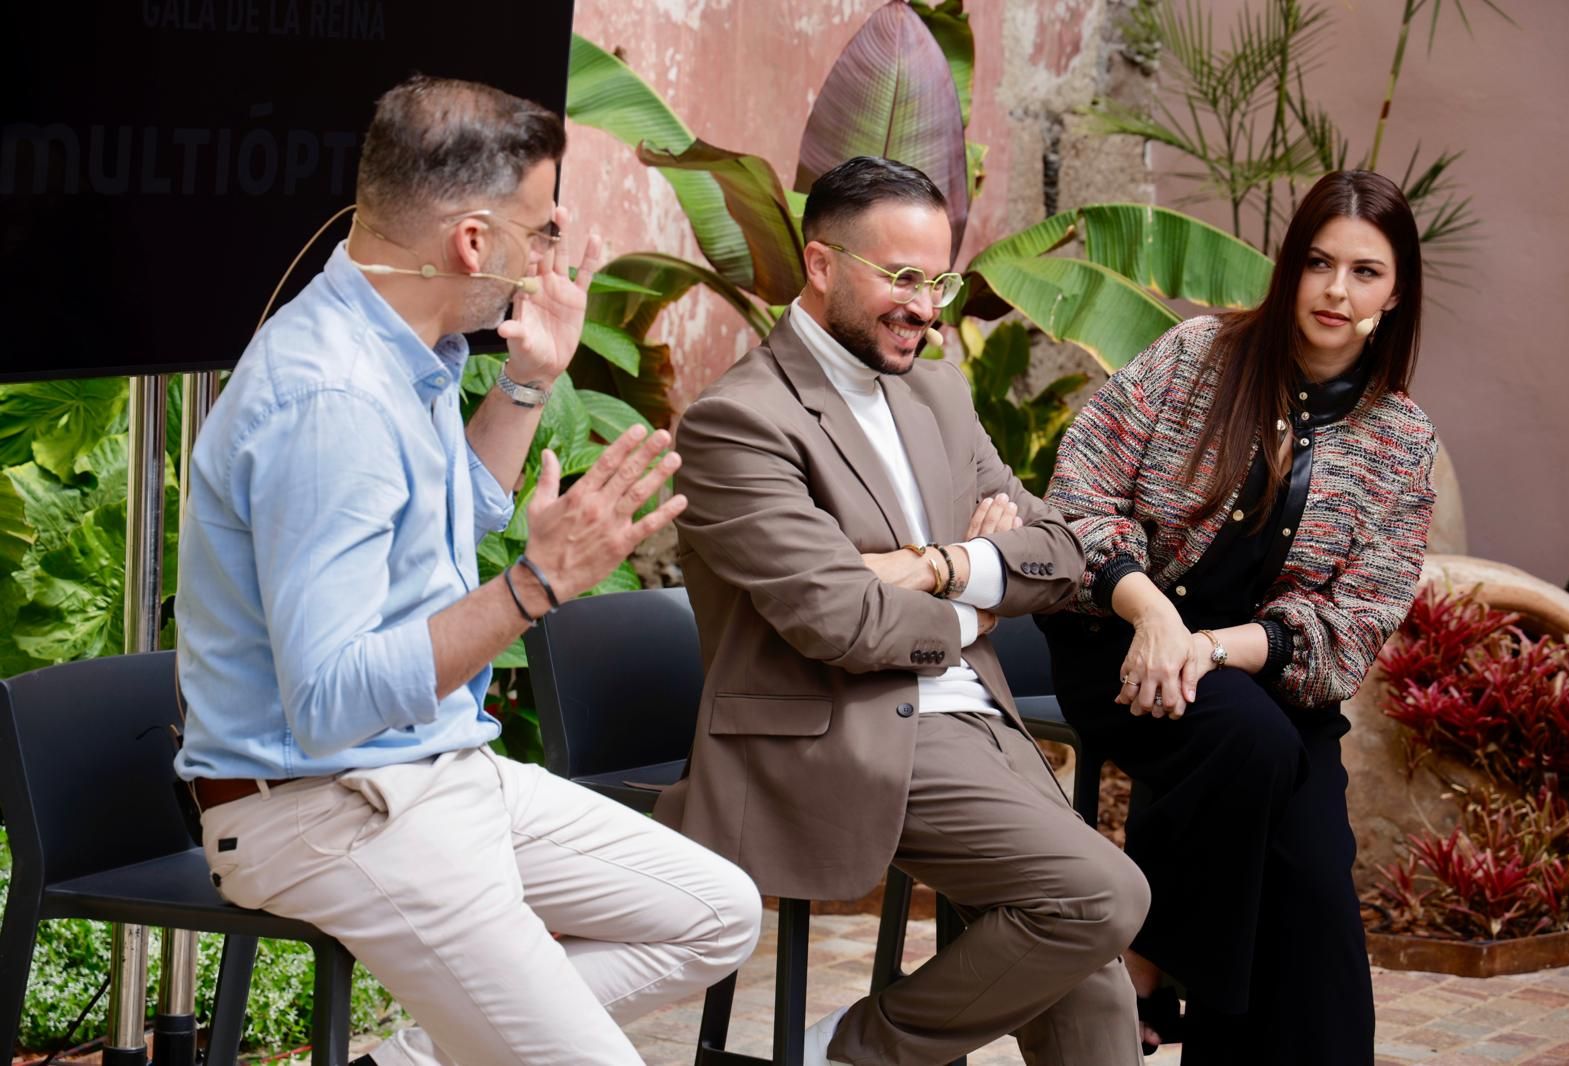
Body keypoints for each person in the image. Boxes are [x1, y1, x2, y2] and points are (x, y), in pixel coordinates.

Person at [174, 75, 760, 1066]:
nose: (554, 254)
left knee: (716, 914)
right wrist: (535, 585)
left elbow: (447, 518)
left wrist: (528, 381)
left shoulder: (398, 340)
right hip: (324, 809)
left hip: (437, 768)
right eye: (541, 230)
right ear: (472, 244)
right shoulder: (334, 399)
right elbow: (329, 700)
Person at [654, 155, 1150, 1066]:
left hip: (977, 722)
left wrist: (940, 566)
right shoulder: (741, 422)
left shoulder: (937, 392)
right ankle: (851, 1053)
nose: (928, 306)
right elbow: (839, 623)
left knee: (1091, 981)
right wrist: (980, 604)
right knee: (1098, 898)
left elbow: (1065, 551)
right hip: (843, 731)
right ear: (820, 264)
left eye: (940, 279)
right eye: (903, 277)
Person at [1040, 170, 1436, 1064]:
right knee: (1251, 746)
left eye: (1365, 272)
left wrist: (1213, 647)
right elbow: (1081, 488)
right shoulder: (1195, 355)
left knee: (1318, 930)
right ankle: (1145, 968)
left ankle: (1152, 968)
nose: (1337, 291)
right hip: (1120, 643)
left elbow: (1358, 622)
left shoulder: (1402, 442)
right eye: (1319, 263)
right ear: (1289, 266)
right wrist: (1150, 612)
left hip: (1268, 680)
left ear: (1396, 289)